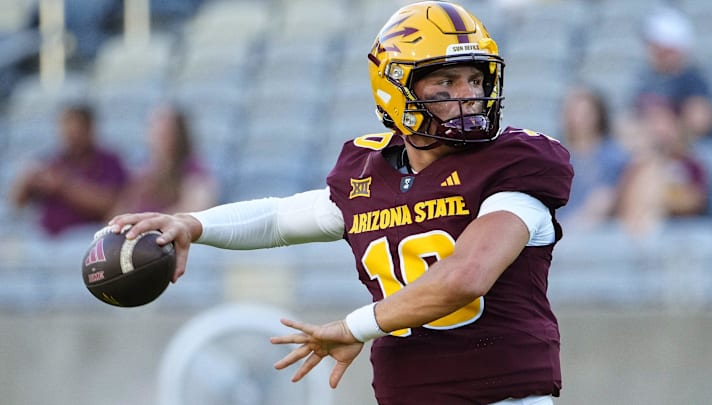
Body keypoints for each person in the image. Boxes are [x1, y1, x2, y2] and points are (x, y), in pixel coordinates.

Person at [107, 2, 573, 404]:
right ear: (397, 89)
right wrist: (192, 224)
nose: (468, 97)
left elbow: (464, 277)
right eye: (446, 82)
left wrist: (355, 327)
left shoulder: (514, 164)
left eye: (475, 79)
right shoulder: (371, 172)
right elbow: (278, 219)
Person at [9, 102, 128, 237]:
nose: (72, 136)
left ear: (89, 129)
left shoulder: (109, 161)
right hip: (48, 239)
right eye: (66, 128)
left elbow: (110, 203)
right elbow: (17, 203)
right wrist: (26, 180)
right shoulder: (51, 161)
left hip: (88, 237)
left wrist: (64, 186)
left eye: (77, 129)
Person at [615, 96, 708, 236]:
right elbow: (625, 205)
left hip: (681, 236)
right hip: (639, 235)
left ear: (677, 126)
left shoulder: (690, 163)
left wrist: (660, 195)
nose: (659, 129)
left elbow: (694, 202)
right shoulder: (636, 165)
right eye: (653, 122)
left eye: (664, 122)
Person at [109, 103, 218, 217]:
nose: (158, 137)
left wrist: (150, 224)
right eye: (154, 130)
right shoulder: (144, 172)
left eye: (166, 132)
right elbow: (122, 208)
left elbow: (196, 210)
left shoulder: (194, 171)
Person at [632, 5, 712, 141]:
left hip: (694, 150)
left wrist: (668, 126)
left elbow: (701, 121)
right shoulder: (646, 78)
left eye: (660, 49)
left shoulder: (694, 80)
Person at [557, 85, 629, 230]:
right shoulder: (556, 155)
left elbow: (603, 200)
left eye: (584, 113)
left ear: (597, 116)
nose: (577, 119)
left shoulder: (613, 156)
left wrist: (569, 232)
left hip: (595, 234)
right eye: (573, 112)